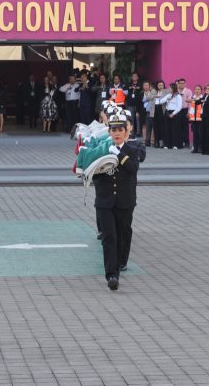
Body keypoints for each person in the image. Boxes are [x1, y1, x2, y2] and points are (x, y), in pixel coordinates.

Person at [92, 111, 140, 291]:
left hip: (125, 201)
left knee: (122, 235)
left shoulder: (133, 150)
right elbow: (93, 172)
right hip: (105, 201)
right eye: (114, 130)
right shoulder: (102, 148)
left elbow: (133, 168)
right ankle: (112, 275)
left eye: (121, 130)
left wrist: (118, 155)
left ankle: (121, 262)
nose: (117, 133)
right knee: (109, 238)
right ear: (109, 132)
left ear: (126, 131)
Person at [162, 82, 183, 149]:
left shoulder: (178, 96)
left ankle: (175, 144)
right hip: (168, 112)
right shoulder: (169, 95)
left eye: (170, 88)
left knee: (175, 129)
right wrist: (166, 99)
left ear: (173, 88)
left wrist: (173, 114)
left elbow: (179, 106)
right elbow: (161, 101)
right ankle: (167, 144)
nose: (169, 89)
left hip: (175, 113)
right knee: (167, 129)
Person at [188, 85, 203, 153]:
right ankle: (195, 147)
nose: (197, 91)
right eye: (196, 89)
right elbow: (191, 107)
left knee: (200, 133)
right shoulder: (192, 98)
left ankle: (200, 147)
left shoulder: (202, 98)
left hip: (200, 118)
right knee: (195, 134)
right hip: (193, 118)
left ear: (201, 91)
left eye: (198, 89)